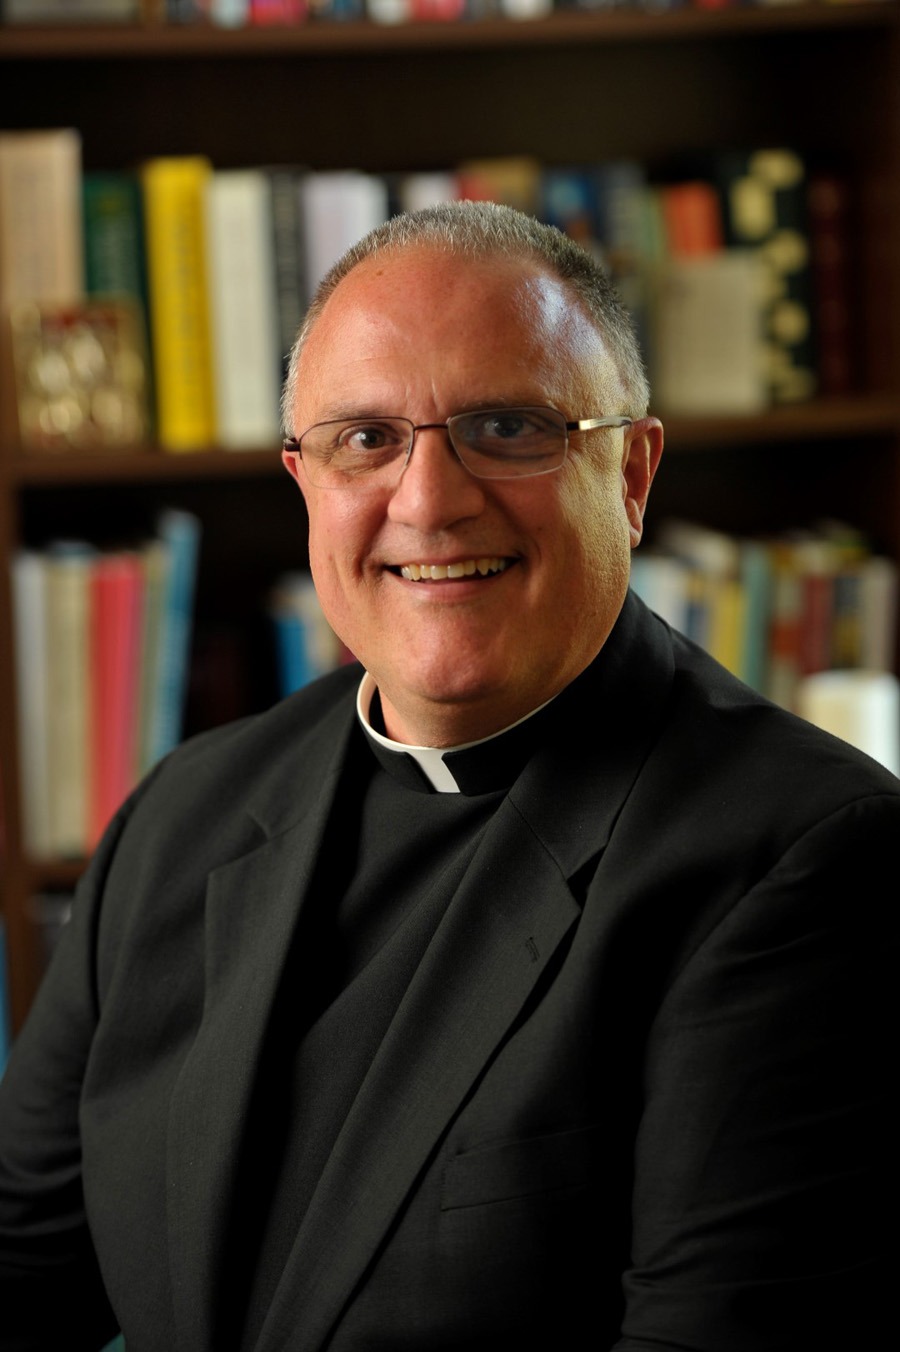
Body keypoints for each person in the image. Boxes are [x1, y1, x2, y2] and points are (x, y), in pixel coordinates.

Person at [1, 201, 897, 1352]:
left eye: (507, 425)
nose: (428, 499)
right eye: (365, 438)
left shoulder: (804, 860)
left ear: (630, 469)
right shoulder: (185, 812)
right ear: (305, 482)